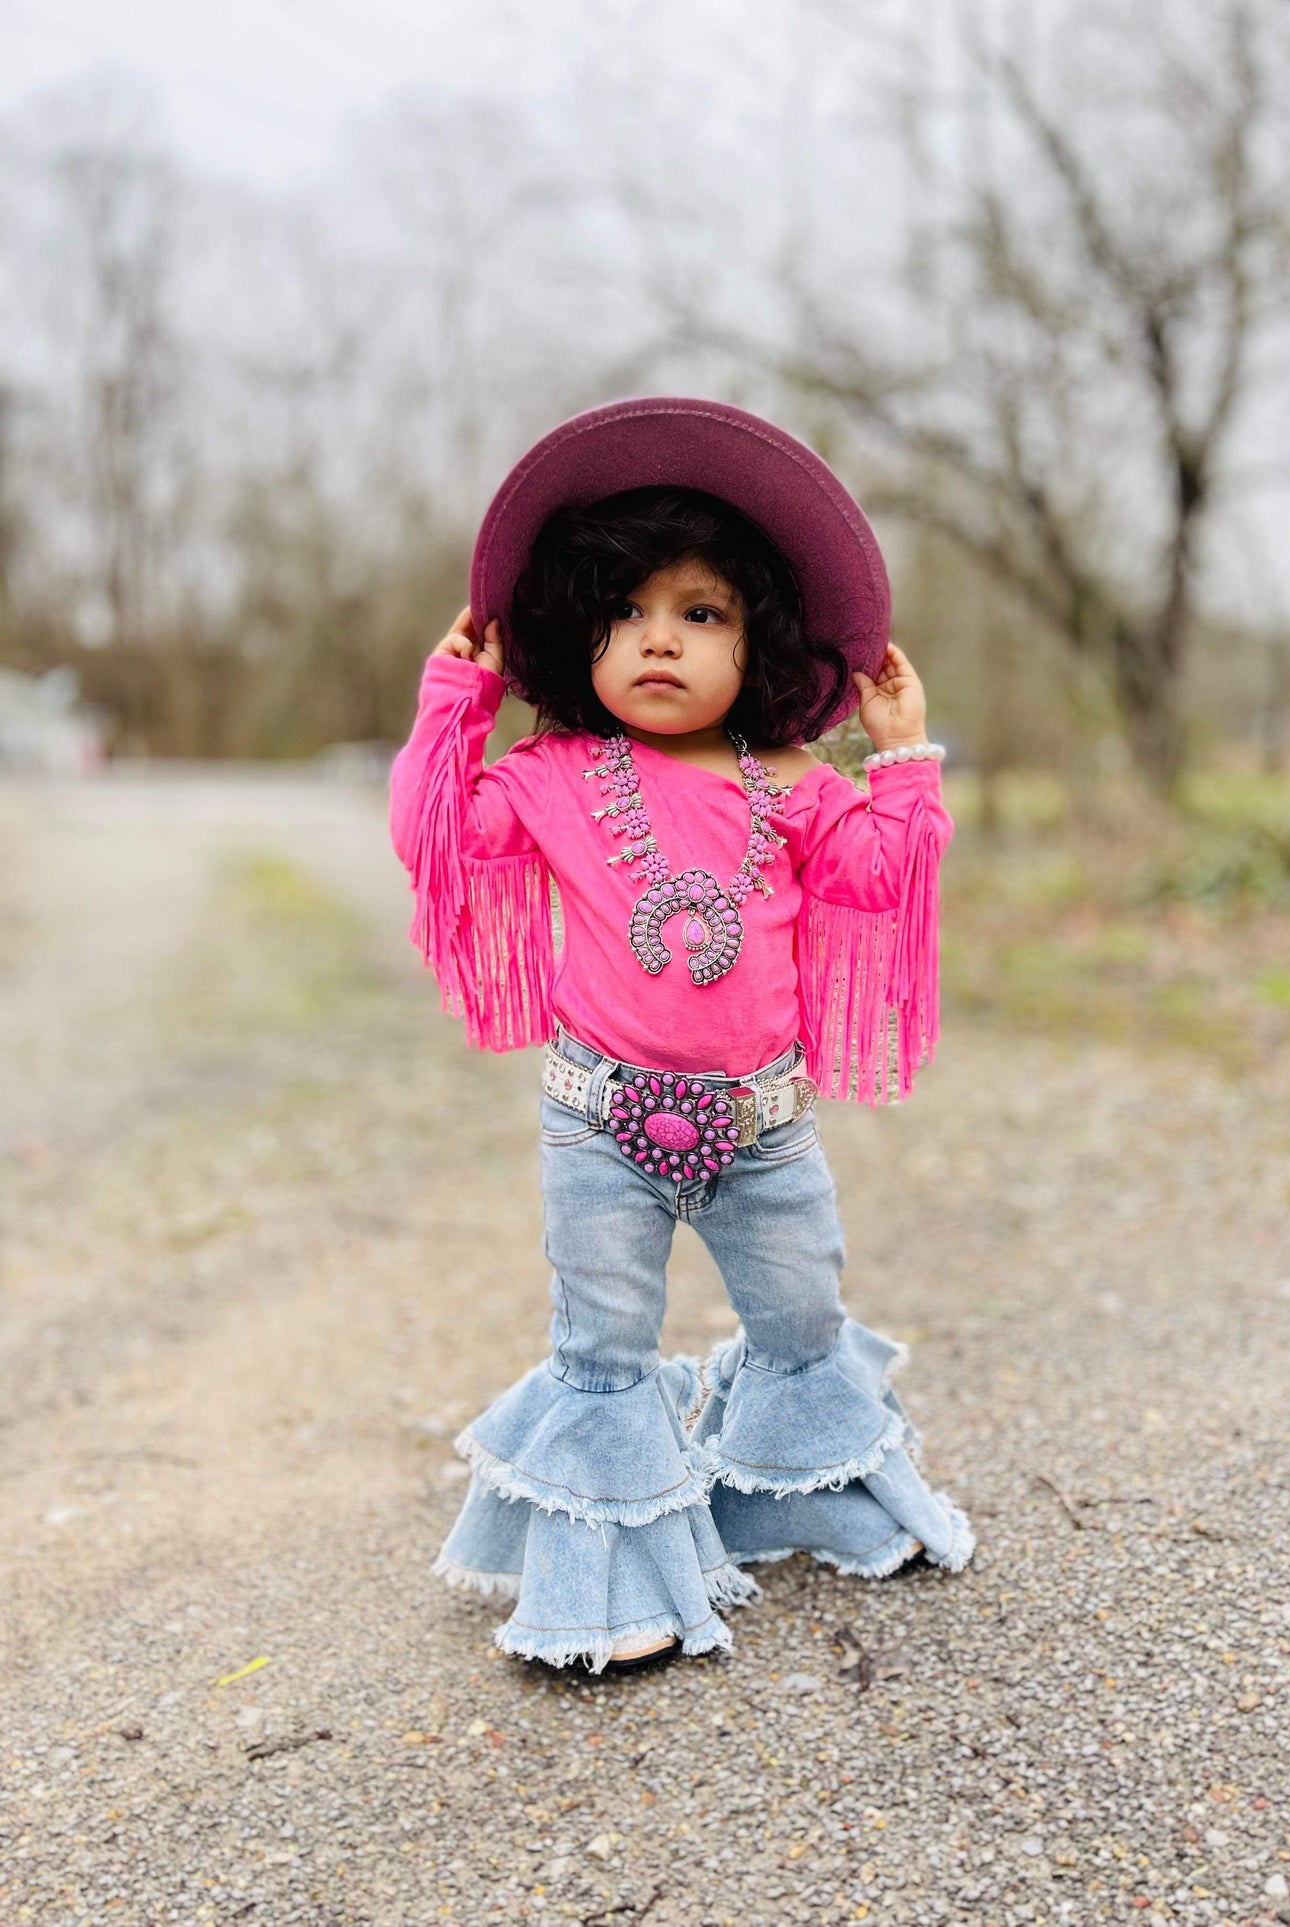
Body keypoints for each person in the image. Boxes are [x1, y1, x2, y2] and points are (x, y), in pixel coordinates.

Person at [387, 397, 975, 1676]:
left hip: (764, 1129)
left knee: (801, 1315)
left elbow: (884, 876)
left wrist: (900, 757)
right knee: (600, 1344)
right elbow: (437, 833)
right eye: (625, 611)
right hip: (599, 1129)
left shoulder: (792, 782)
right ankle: (609, 1588)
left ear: (752, 636)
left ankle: (797, 1503)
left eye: (698, 612)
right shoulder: (546, 777)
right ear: (574, 636)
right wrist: (456, 697)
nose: (659, 640)